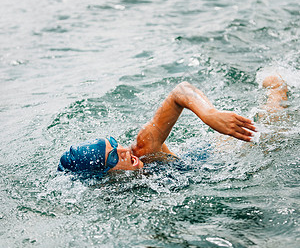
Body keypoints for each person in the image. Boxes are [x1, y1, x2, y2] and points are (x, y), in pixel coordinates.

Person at [58, 75, 287, 176]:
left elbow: (180, 92)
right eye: (113, 158)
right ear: (100, 176)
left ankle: (277, 88)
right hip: (199, 165)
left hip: (212, 159)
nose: (124, 151)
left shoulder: (142, 149)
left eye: (114, 144)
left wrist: (210, 115)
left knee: (268, 135)